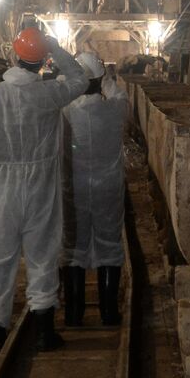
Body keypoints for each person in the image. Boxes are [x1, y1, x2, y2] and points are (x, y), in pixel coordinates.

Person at [0, 28, 89, 352]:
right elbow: (80, 78)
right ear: (42, 62)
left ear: (14, 55)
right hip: (40, 189)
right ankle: (43, 331)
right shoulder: (49, 93)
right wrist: (55, 48)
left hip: (0, 189)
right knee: (42, 256)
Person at [60, 51, 129, 327]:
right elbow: (119, 94)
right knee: (109, 246)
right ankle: (109, 313)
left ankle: (73, 315)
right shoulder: (114, 108)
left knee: (72, 247)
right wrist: (106, 79)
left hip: (74, 188)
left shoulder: (65, 112)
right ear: (99, 81)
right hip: (108, 188)